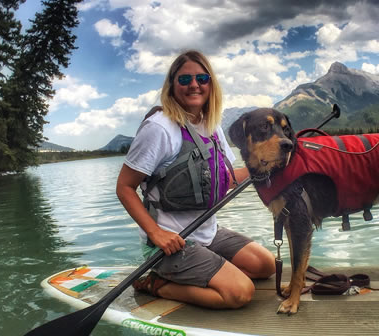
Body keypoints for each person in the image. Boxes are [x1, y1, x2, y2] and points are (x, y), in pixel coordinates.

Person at [116, 50, 275, 309]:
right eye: (185, 79)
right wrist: (155, 233)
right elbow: (124, 187)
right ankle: (158, 284)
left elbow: (227, 179)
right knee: (240, 293)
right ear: (172, 85)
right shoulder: (159, 128)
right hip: (170, 243)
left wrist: (266, 167)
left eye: (202, 78)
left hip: (207, 233)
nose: (194, 85)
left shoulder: (211, 125)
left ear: (211, 84)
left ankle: (207, 269)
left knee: (264, 265)